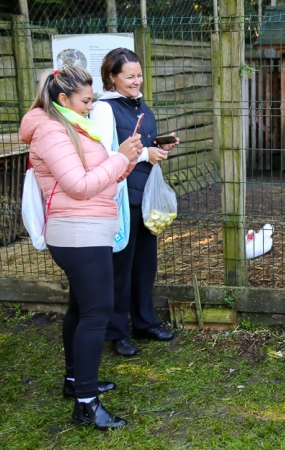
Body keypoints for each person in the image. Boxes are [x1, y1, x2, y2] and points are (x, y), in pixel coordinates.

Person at [20, 66, 142, 429]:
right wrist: (118, 158)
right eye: (86, 100)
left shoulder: (72, 126)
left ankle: (75, 383)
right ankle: (87, 404)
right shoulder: (51, 131)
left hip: (89, 230)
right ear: (63, 99)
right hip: (77, 233)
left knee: (81, 307)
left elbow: (97, 177)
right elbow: (78, 185)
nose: (91, 107)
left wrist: (126, 160)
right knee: (96, 313)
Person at [90, 48, 179, 357]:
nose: (136, 80)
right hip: (121, 196)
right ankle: (117, 331)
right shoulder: (104, 109)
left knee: (145, 264)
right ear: (112, 77)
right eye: (129, 76)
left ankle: (144, 322)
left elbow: (138, 140)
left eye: (139, 75)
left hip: (145, 195)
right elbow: (103, 152)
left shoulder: (140, 104)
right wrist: (145, 154)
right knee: (120, 267)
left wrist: (159, 145)